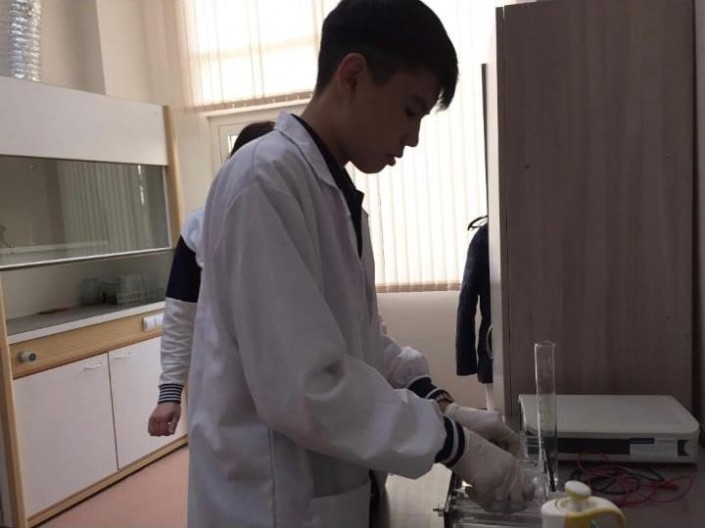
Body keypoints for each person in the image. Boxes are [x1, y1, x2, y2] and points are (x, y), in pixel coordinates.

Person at [187, 1, 534, 526]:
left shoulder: (333, 193)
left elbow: (361, 343)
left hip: (331, 491)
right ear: (352, 75)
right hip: (271, 502)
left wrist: (441, 405)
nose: (413, 137)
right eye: (410, 110)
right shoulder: (264, 182)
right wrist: (452, 443)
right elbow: (305, 385)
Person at [147, 120, 275, 437]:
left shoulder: (305, 222)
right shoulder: (200, 227)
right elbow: (181, 312)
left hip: (292, 382)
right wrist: (170, 391)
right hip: (223, 387)